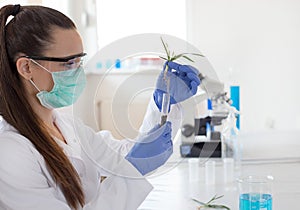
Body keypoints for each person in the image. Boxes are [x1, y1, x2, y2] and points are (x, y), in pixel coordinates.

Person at [0, 4, 200, 210]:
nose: (77, 72)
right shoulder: (9, 151)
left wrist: (164, 104)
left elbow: (129, 153)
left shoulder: (66, 126)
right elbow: (133, 162)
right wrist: (134, 167)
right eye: (68, 63)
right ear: (26, 67)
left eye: (79, 61)